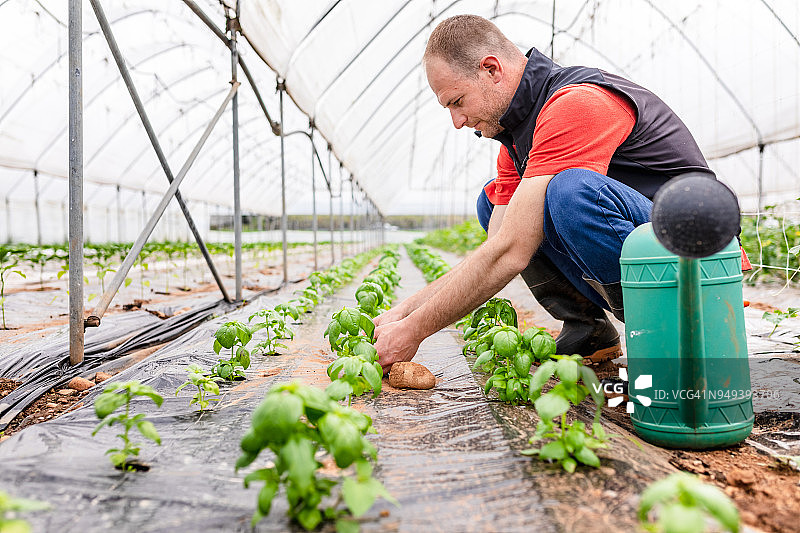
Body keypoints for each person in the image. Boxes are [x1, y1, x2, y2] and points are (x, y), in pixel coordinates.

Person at [373, 14, 726, 373]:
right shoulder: (514, 138)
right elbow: (495, 246)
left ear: (492, 69)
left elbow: (511, 250)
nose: (457, 120)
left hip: (701, 255)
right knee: (494, 202)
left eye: (457, 101)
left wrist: (414, 331)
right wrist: (404, 312)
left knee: (569, 192)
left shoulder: (576, 102)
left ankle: (668, 332)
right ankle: (588, 330)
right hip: (650, 243)